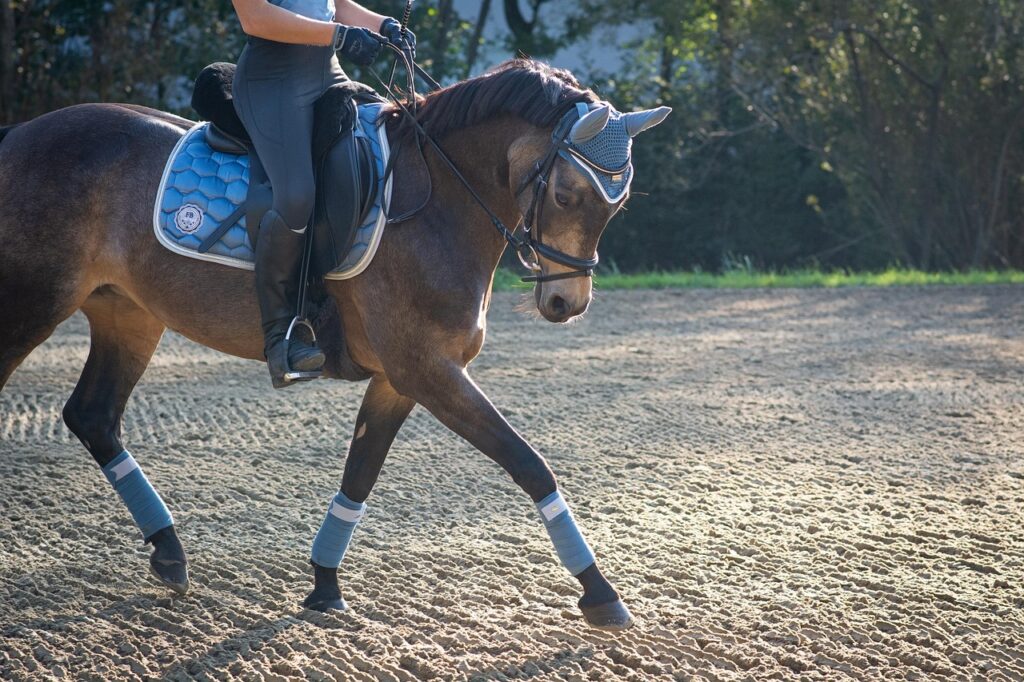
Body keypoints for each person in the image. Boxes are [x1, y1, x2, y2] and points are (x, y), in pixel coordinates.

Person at [230, 0, 415, 388]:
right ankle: (282, 334)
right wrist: (339, 35)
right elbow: (255, 17)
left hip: (326, 73)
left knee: (392, 145)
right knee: (296, 196)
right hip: (272, 80)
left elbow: (336, 4)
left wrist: (383, 25)